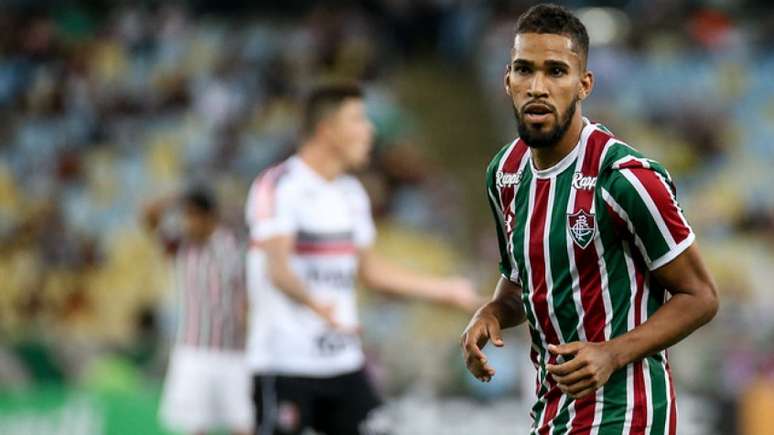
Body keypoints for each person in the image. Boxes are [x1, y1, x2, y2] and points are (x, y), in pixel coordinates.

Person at [460, 4, 719, 434]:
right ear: (507, 80)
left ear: (584, 85)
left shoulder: (625, 179)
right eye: (525, 70)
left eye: (556, 71)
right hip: (554, 411)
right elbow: (522, 285)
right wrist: (490, 312)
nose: (537, 86)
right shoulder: (504, 174)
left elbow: (701, 296)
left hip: (628, 414)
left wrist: (612, 353)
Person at [245, 83, 480, 435]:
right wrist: (315, 304)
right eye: (358, 120)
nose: (369, 130)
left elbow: (370, 271)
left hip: (343, 362)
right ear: (327, 130)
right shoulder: (279, 186)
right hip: (285, 363)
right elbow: (277, 268)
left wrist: (442, 290)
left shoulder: (351, 194)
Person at [143, 187, 253, 435]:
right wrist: (176, 198)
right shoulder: (182, 246)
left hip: (233, 351)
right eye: (186, 216)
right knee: (194, 427)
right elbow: (148, 216)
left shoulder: (232, 246)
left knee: (244, 424)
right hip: (193, 350)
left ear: (209, 217)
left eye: (193, 216)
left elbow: (245, 293)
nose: (188, 223)